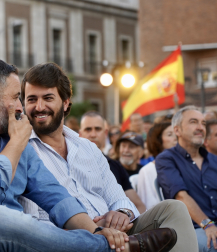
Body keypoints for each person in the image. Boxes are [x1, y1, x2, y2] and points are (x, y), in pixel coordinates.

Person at [0, 57, 177, 252]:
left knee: (16, 220)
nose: (21, 107)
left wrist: (99, 232)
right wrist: (17, 143)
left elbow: (56, 197)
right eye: (17, 97)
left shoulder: (11, 139)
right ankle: (105, 249)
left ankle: (105, 245)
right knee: (1, 218)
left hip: (20, 244)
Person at [18, 62, 197, 252]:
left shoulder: (88, 148)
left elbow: (118, 197)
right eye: (31, 99)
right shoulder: (21, 149)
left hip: (118, 232)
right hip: (69, 239)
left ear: (65, 102)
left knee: (174, 209)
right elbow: (32, 222)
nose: (39, 107)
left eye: (47, 98)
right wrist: (92, 228)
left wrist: (121, 214)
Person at [156, 105, 217, 252]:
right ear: (177, 130)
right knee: (211, 245)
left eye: (203, 123)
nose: (200, 127)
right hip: (193, 228)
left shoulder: (214, 160)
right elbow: (181, 197)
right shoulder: (166, 159)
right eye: (193, 122)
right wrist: (208, 224)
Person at [79, 111, 146, 214]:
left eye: (97, 129)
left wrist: (128, 218)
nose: (93, 134)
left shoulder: (115, 166)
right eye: (88, 129)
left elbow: (138, 205)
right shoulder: (69, 163)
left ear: (105, 133)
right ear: (80, 134)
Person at [137, 122, 177, 209]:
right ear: (158, 140)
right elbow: (149, 208)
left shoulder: (186, 165)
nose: (176, 138)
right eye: (170, 134)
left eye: (176, 133)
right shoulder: (147, 170)